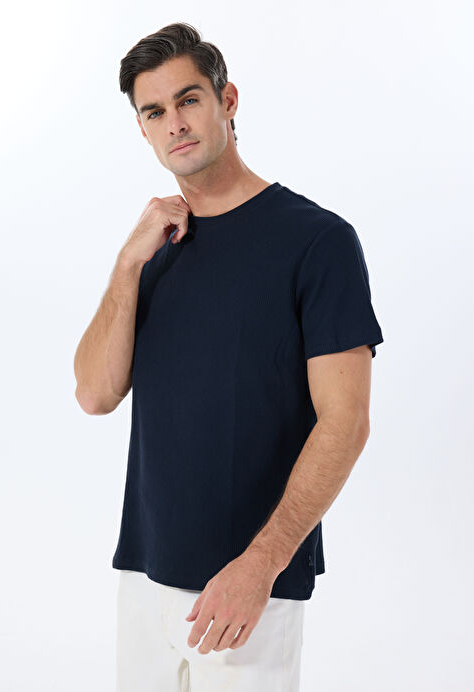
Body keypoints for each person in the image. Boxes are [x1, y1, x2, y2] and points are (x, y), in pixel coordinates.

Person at [73, 21, 384, 692]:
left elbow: (346, 422)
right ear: (142, 129)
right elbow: (94, 395)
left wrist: (261, 565)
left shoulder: (317, 242)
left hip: (247, 589)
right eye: (154, 111)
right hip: (144, 575)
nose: (175, 123)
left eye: (188, 99)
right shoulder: (154, 249)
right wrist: (127, 264)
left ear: (227, 100)